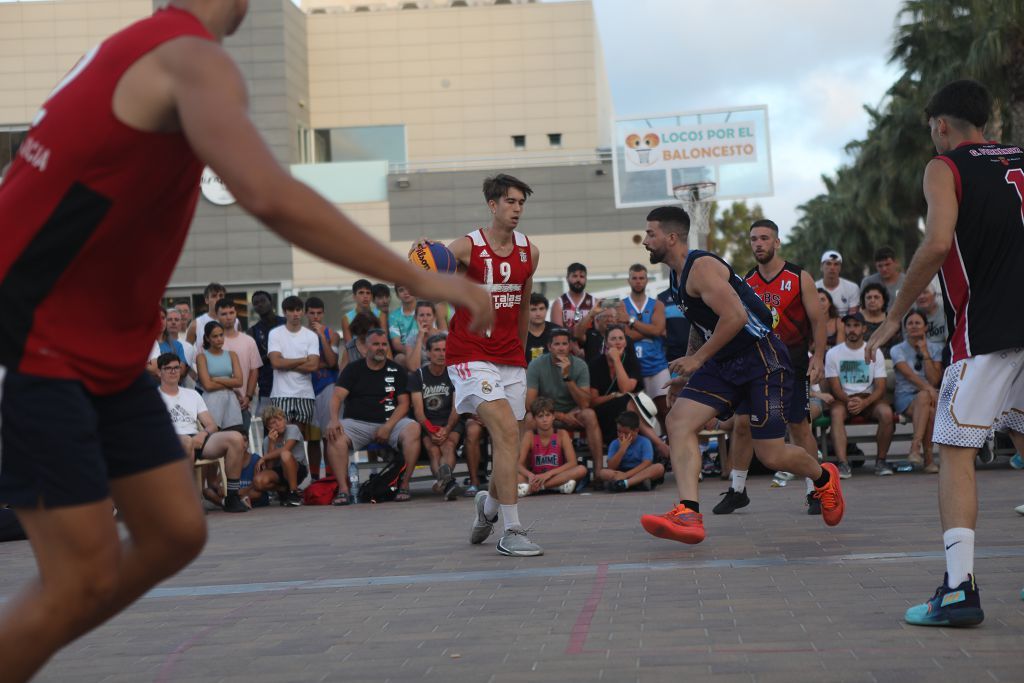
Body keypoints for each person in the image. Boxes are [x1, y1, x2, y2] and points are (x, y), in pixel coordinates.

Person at [0, 4, 493, 675]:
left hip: (103, 352)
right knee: (78, 574)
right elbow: (267, 193)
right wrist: (416, 277)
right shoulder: (190, 57)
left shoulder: (140, 49)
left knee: (175, 530)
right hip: (39, 337)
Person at [865, 80, 1024, 627]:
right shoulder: (1019, 159)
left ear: (941, 125)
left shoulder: (946, 167)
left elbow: (936, 244)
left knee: (955, 449)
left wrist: (891, 316)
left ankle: (958, 591)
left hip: (988, 332)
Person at [636, 206, 844, 546]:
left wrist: (698, 359)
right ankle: (688, 512)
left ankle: (824, 477)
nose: (645, 241)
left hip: (762, 358)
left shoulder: (700, 267)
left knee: (771, 454)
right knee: (678, 421)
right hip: (724, 362)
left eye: (650, 234)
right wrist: (691, 367)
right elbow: (705, 325)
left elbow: (734, 316)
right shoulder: (677, 277)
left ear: (671, 237)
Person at [442, 173, 544, 557]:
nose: (517, 209)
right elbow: (431, 269)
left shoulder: (529, 252)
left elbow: (522, 304)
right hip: (470, 354)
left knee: (510, 443)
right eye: (511, 202)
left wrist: (519, 352)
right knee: (503, 430)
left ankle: (487, 508)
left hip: (509, 358)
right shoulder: (468, 246)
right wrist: (422, 256)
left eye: (521, 203)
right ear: (493, 205)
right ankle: (512, 530)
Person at [714, 218, 827, 517]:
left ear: (777, 242)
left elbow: (818, 320)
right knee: (741, 425)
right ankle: (738, 490)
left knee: (799, 426)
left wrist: (819, 358)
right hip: (757, 362)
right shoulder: (744, 281)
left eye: (765, 238)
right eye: (754, 239)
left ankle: (816, 490)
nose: (759, 244)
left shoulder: (799, 276)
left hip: (792, 360)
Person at [325, 328, 421, 504]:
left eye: (384, 344)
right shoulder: (353, 369)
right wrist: (333, 420)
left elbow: (404, 404)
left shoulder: (396, 370)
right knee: (334, 434)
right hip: (357, 423)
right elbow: (337, 397)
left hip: (390, 423)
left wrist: (388, 426)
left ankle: (404, 485)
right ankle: (343, 490)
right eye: (376, 344)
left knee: (413, 429)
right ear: (366, 347)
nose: (381, 348)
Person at [154, 353, 247, 514]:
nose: (173, 371)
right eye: (167, 368)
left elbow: (211, 425)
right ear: (159, 372)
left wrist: (202, 435)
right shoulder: (152, 397)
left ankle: (232, 497)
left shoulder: (192, 394)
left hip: (197, 439)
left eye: (176, 368)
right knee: (185, 442)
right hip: (169, 442)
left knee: (236, 438)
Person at [525, 328, 604, 478]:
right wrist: (558, 415)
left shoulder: (580, 365)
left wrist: (567, 377)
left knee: (589, 415)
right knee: (529, 418)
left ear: (569, 346)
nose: (561, 348)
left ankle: (599, 471)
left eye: (564, 344)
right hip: (547, 413)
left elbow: (585, 403)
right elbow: (530, 403)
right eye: (557, 344)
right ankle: (527, 473)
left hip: (574, 413)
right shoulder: (536, 365)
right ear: (549, 346)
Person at [587, 324, 668, 466]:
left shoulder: (631, 361)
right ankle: (659, 443)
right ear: (606, 342)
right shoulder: (595, 364)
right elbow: (593, 401)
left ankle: (655, 448)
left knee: (627, 401)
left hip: (626, 413)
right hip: (603, 412)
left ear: (625, 341)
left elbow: (625, 389)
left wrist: (617, 360)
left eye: (621, 338)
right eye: (613, 339)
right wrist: (613, 396)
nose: (617, 342)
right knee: (627, 401)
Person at [825, 312, 894, 477]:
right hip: (844, 399)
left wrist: (865, 402)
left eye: (856, 325)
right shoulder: (833, 353)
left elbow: (880, 386)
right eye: (848, 326)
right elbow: (834, 387)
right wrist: (849, 400)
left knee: (886, 413)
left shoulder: (874, 351)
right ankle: (843, 464)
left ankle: (881, 461)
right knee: (836, 413)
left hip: (868, 399)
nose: (852, 330)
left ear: (864, 328)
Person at [408, 333, 463, 500]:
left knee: (449, 445)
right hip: (428, 423)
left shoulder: (454, 374)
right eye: (437, 350)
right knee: (433, 450)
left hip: (450, 422)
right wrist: (431, 431)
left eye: (445, 350)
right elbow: (418, 411)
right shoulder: (418, 376)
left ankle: (443, 483)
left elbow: (456, 407)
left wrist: (446, 430)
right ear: (428, 353)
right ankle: (447, 484)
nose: (441, 354)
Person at [889, 310, 942, 473]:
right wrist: (929, 389)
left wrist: (925, 353)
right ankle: (928, 459)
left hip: (928, 398)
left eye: (917, 323)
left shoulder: (936, 348)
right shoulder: (897, 349)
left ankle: (915, 449)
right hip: (905, 397)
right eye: (910, 323)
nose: (913, 326)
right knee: (926, 398)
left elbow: (934, 379)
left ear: (926, 327)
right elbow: (909, 375)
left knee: (929, 409)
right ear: (905, 328)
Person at [619, 263, 670, 428]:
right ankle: (652, 451)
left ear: (647, 280)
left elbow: (658, 329)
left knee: (665, 411)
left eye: (641, 278)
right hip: (634, 368)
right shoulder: (622, 305)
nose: (638, 281)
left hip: (657, 365)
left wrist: (631, 321)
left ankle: (670, 450)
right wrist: (652, 330)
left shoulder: (657, 304)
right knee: (639, 415)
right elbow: (627, 335)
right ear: (629, 281)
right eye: (634, 278)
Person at [268, 296, 320, 431]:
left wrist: (286, 363)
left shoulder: (311, 336)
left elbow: (313, 366)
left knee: (297, 438)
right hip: (281, 393)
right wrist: (302, 359)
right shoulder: (275, 334)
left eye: (298, 310)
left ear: (302, 312)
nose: (296, 313)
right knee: (280, 436)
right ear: (285, 312)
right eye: (291, 310)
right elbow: (275, 363)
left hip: (305, 394)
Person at [516, 397, 586, 496]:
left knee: (581, 469)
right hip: (536, 476)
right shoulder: (530, 435)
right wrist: (530, 475)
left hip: (556, 475)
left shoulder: (561, 434)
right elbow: (518, 464)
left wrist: (548, 474)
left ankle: (538, 488)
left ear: (553, 416)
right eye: (540, 416)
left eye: (548, 415)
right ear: (534, 419)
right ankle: (557, 487)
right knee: (512, 475)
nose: (545, 419)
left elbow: (572, 463)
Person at [304, 296, 338, 481]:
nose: (315, 317)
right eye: (312, 313)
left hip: (327, 386)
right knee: (313, 438)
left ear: (323, 313)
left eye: (318, 313)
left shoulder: (332, 334)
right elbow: (305, 362)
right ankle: (316, 478)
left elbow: (332, 362)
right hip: (307, 387)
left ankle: (331, 478)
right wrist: (318, 363)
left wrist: (321, 337)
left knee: (328, 435)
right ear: (306, 314)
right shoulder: (299, 334)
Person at [217, 298, 261, 434]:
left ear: (236, 314)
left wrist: (248, 397)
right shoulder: (208, 342)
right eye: (224, 314)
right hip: (217, 402)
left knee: (242, 445)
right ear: (217, 316)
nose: (228, 317)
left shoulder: (249, 341)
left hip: (242, 403)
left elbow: (254, 371)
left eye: (231, 312)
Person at [195, 321, 244, 432]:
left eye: (221, 335)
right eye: (215, 336)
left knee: (235, 434)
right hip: (212, 400)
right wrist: (230, 382)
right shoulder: (201, 357)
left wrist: (217, 379)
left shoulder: (232, 354)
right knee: (212, 435)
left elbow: (240, 381)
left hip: (231, 400)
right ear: (207, 338)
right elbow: (207, 386)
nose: (219, 339)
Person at [598, 411, 665, 492]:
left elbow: (647, 463)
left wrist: (626, 475)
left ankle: (625, 484)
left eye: (626, 433)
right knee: (603, 472)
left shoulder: (644, 442)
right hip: (620, 472)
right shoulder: (615, 443)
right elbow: (611, 467)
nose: (621, 436)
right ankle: (635, 483)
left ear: (636, 431)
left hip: (639, 472)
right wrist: (622, 449)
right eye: (619, 432)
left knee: (659, 467)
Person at [255, 405, 307, 507]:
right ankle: (284, 490)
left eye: (280, 419)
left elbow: (285, 449)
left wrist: (264, 457)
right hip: (279, 472)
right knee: (259, 481)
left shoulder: (293, 429)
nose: (278, 424)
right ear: (268, 427)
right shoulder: (267, 440)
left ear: (285, 419)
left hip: (297, 468)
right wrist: (271, 444)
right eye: (273, 423)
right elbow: (270, 468)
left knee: (285, 454)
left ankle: (293, 493)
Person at [247, 290, 285, 415]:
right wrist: (271, 356)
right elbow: (254, 361)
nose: (260, 304)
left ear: (271, 302)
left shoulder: (286, 323)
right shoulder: (253, 331)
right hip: (267, 384)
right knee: (268, 424)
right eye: (256, 303)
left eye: (263, 301)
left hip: (288, 382)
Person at [550, 262, 595, 350]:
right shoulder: (559, 303)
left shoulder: (594, 302)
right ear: (567, 278)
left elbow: (597, 331)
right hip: (566, 350)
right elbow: (558, 333)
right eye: (574, 276)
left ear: (586, 279)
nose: (578, 279)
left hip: (590, 348)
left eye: (582, 276)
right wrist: (574, 348)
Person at [859, 282, 900, 358]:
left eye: (876, 297)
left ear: (884, 300)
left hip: (888, 362)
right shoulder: (856, 320)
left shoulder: (891, 320)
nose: (872, 300)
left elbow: (898, 347)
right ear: (863, 300)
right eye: (869, 297)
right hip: (861, 361)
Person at [815, 250, 860, 317]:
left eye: (836, 264)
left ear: (840, 268)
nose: (832, 268)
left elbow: (852, 317)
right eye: (828, 264)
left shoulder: (852, 288)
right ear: (821, 267)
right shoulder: (813, 287)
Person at [403, 300, 441, 371]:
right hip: (422, 376)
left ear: (434, 317)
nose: (425, 319)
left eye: (428, 315)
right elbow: (413, 368)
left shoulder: (445, 336)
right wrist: (420, 338)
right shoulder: (411, 339)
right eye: (421, 315)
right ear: (415, 318)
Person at [388, 283, 419, 359]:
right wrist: (414, 352)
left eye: (409, 289)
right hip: (406, 352)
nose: (406, 292)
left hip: (426, 349)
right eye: (401, 290)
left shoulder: (426, 309)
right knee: (399, 358)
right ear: (397, 295)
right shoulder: (393, 316)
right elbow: (396, 344)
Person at [524, 292, 556, 364]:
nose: (538, 314)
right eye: (533, 309)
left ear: (547, 309)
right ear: (525, 312)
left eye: (541, 309)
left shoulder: (556, 332)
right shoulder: (519, 333)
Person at [915, 282, 948, 348]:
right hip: (923, 349)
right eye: (918, 294)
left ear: (934, 295)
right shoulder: (912, 315)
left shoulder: (946, 309)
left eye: (925, 292)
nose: (921, 296)